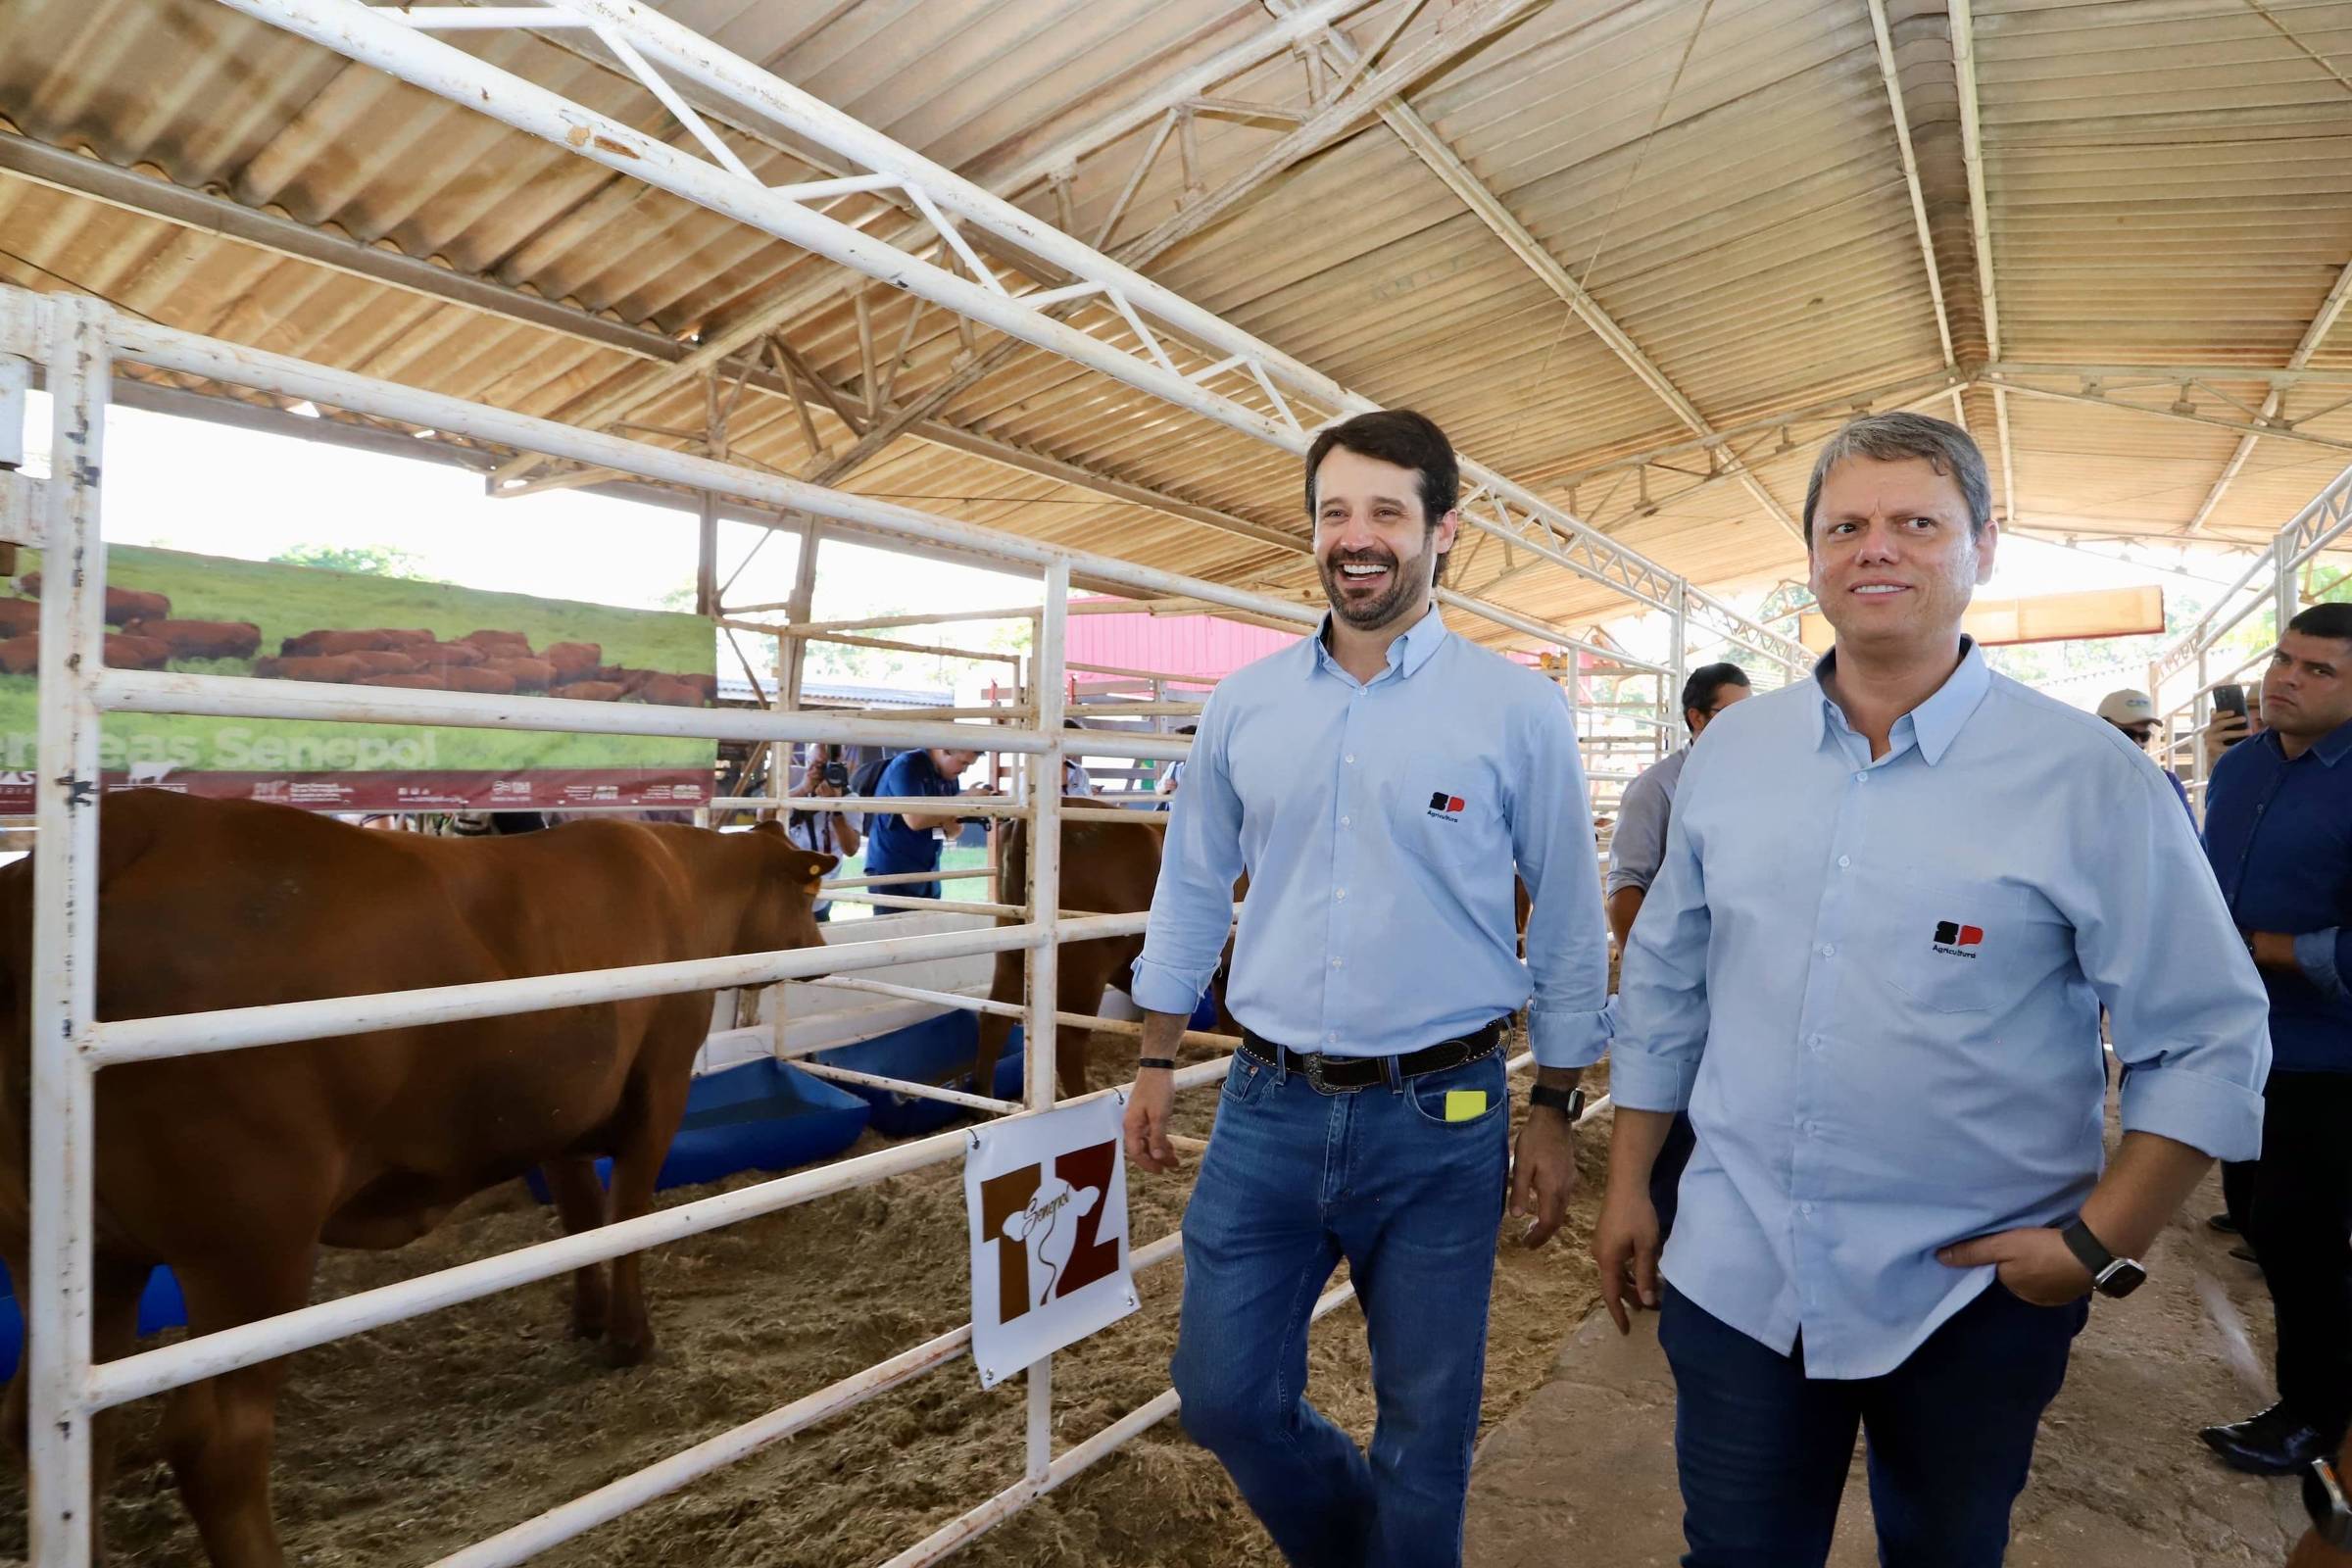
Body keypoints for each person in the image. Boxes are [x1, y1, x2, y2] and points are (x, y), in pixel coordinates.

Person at [1592, 411, 2271, 1568]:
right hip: (1742, 1269)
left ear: (1983, 548)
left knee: (1947, 1548)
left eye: (1917, 522)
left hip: (1973, 1292)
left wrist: (2100, 1241)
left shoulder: (2088, 777)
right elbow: (1664, 987)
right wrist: (1629, 1184)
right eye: (1846, 525)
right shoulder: (1733, 758)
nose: (1877, 548)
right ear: (1812, 556)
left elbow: (2206, 1032)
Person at [1122, 409, 1610, 1567]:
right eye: (1335, 511)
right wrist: (1152, 1056)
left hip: (1445, 1111)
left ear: (1444, 530)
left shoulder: (1514, 709)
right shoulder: (1246, 703)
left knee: (1427, 1430)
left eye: (1388, 511)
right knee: (1223, 1394)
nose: (1358, 536)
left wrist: (1555, 1106)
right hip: (1266, 1104)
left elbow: (1569, 916)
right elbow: (1192, 886)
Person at [2197, 603, 2352, 1476]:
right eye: (2283, 659)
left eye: (2318, 669)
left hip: (2328, 1054)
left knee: (2301, 1234)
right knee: (2267, 1218)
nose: (2286, 679)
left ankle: (2315, 1419)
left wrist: (2266, 948)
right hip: (2239, 1039)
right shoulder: (2242, 766)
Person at [1604, 661, 1751, 1238]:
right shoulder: (1656, 788)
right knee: (1672, 1124)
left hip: (1735, 984)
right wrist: (1653, 973)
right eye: (1730, 714)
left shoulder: (1757, 782)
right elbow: (1626, 886)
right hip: (1681, 985)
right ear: (1697, 718)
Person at [860, 744, 987, 901]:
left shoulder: (950, 778)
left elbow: (954, 831)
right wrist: (965, 800)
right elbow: (915, 819)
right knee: (898, 917)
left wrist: (951, 815)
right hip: (893, 872)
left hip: (928, 873)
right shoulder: (907, 766)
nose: (964, 770)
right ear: (944, 750)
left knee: (928, 917)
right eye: (963, 762)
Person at [785, 744, 859, 922]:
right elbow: (763, 815)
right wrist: (803, 790)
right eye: (819, 764)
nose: (826, 771)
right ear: (808, 762)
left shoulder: (849, 799)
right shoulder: (793, 784)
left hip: (822, 889)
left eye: (832, 765)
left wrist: (835, 807)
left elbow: (851, 849)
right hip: (787, 885)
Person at [2096, 687, 2194, 822]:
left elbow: (2189, 834)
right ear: (2100, 730)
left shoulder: (2166, 783)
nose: (2137, 743)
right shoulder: (2081, 783)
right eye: (2127, 735)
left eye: (2144, 736)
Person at [1062, 718, 1098, 796]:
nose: (1078, 747)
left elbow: (1088, 801)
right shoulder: (1038, 770)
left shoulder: (1080, 773)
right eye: (1076, 741)